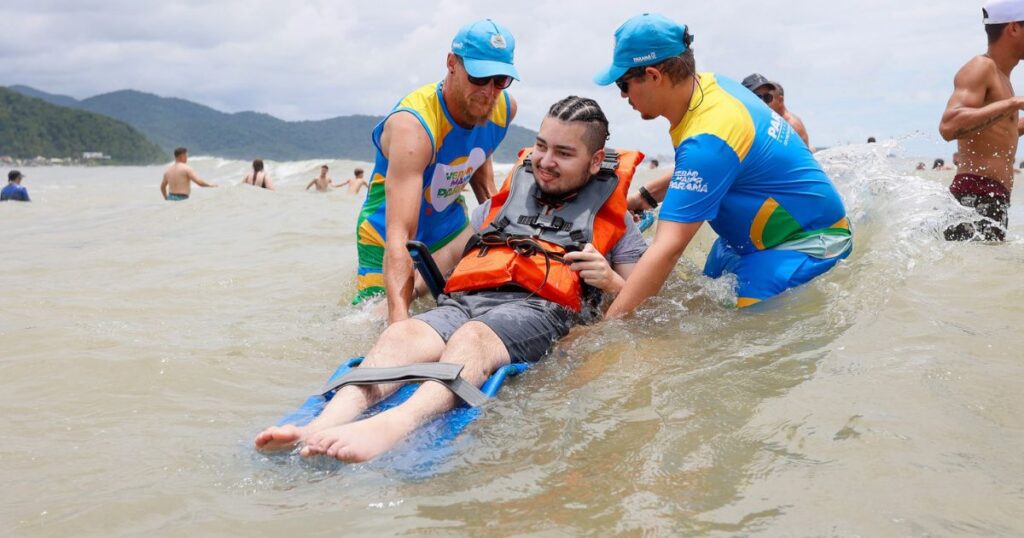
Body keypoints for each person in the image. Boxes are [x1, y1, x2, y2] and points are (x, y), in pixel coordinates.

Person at [255, 97, 646, 462]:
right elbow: (447, 258)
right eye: (541, 146)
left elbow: (645, 303)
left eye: (563, 153)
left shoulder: (617, 224)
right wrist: (396, 298)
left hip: (536, 310)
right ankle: (322, 424)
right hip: (465, 300)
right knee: (401, 334)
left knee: (472, 338)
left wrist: (610, 281)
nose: (545, 160)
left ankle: (397, 423)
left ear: (595, 161)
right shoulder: (505, 203)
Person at [593, 13, 852, 315]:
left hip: (803, 246)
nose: (624, 96)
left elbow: (668, 248)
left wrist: (603, 336)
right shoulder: (711, 88)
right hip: (751, 241)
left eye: (623, 84)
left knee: (738, 338)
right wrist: (645, 198)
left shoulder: (709, 137)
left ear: (653, 75)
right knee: (692, 300)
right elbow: (714, 165)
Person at [353, 19, 519, 324]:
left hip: (448, 229)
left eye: (500, 80)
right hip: (386, 235)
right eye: (480, 78)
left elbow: (480, 165)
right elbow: (400, 235)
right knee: (372, 321)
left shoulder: (503, 109)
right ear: (451, 64)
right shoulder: (414, 127)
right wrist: (398, 325)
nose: (489, 91)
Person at [939, 0, 1024, 241]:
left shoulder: (1003, 77)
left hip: (993, 197)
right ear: (1013, 28)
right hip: (973, 194)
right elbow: (949, 126)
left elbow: (995, 133)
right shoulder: (980, 66)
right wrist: (1014, 103)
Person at [741, 74, 813, 150]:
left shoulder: (788, 125)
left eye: (767, 97)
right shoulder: (770, 121)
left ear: (780, 100)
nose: (763, 102)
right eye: (756, 97)